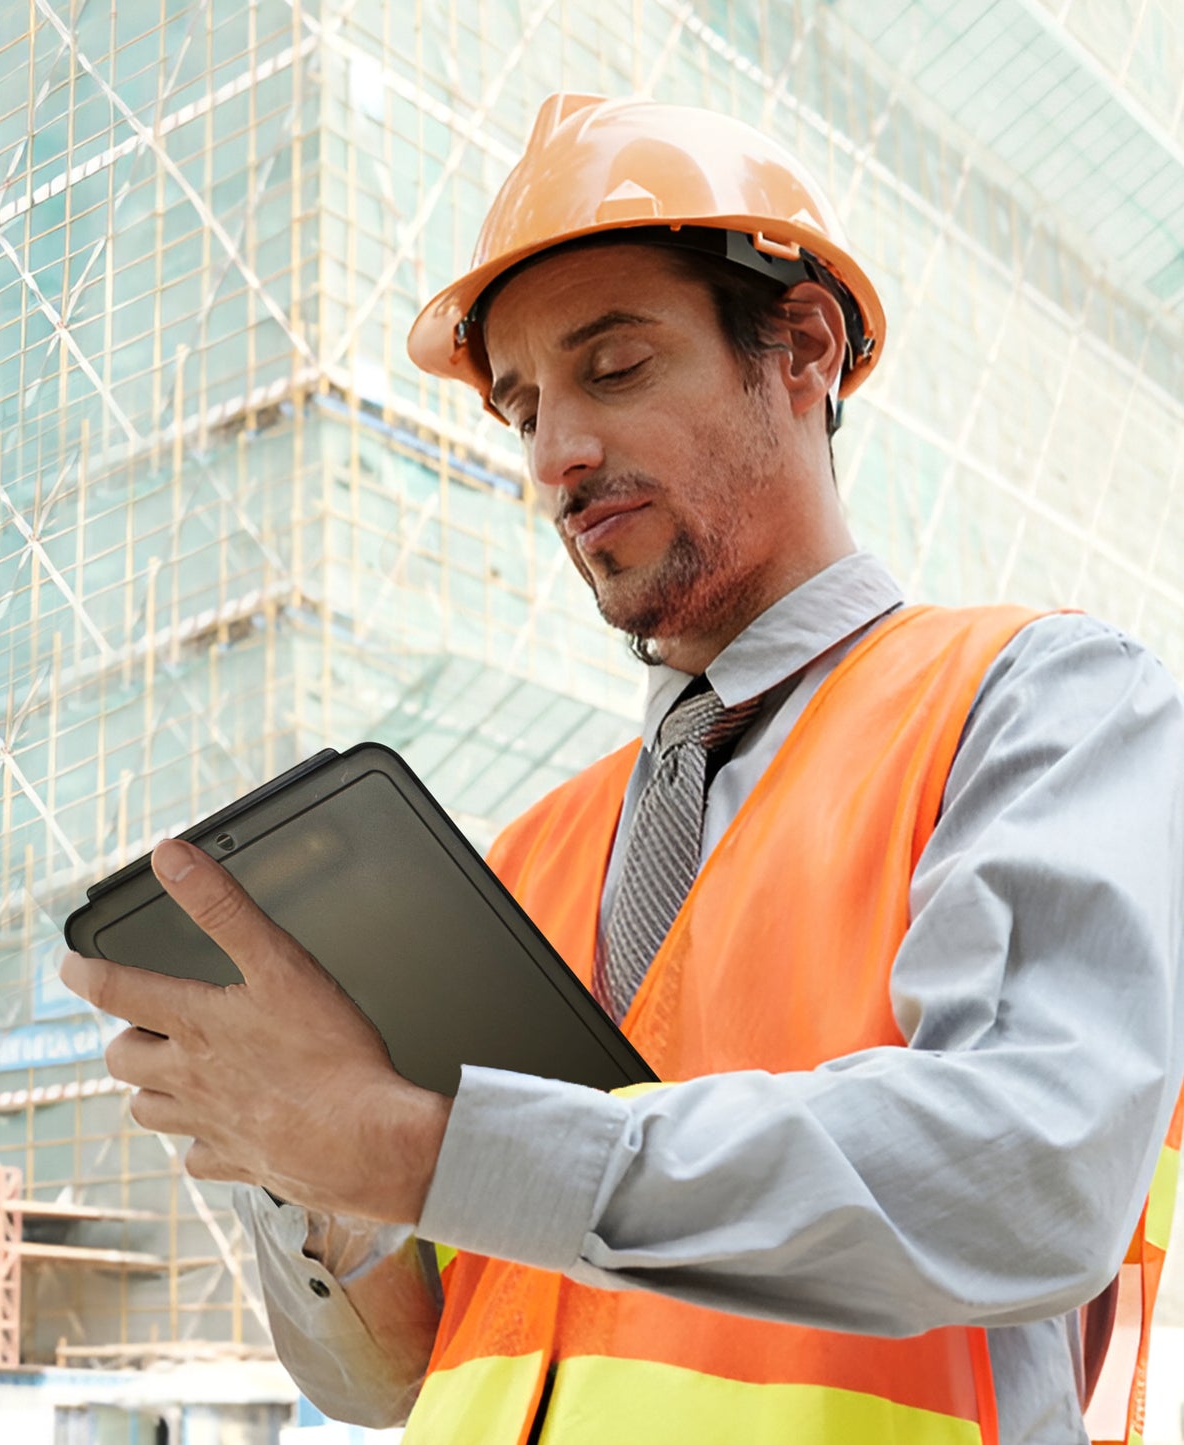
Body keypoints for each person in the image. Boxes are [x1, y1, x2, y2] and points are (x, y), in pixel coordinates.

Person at [60, 96, 1184, 1444]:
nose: (554, 456)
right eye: (523, 408)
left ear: (803, 350)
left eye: (616, 367)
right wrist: (313, 1166)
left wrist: (420, 1147)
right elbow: (387, 1378)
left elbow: (1031, 1173)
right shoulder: (528, 854)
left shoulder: (1036, 701)